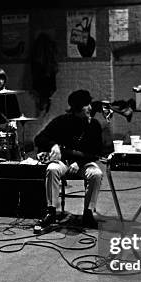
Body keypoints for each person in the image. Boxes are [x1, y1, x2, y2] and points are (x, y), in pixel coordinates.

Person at [34, 89, 103, 229]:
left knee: (97, 174)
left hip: (83, 164)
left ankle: (88, 213)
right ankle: (51, 211)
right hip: (64, 163)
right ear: (77, 107)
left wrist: (79, 163)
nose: (90, 107)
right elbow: (39, 138)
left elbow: (97, 152)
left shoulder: (94, 125)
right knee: (52, 169)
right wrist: (53, 145)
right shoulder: (62, 121)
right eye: (86, 105)